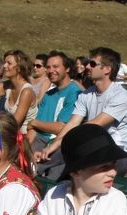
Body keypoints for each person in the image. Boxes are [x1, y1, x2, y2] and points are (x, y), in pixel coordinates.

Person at [41, 47, 127, 175]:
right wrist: (54, 145)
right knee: (56, 164)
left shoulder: (121, 96)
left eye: (92, 64)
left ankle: (36, 169)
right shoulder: (86, 94)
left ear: (107, 69)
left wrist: (61, 144)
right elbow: (72, 123)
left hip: (119, 153)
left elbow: (94, 125)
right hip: (93, 146)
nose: (87, 67)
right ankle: (35, 170)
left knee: (73, 159)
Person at [28, 51, 81, 180]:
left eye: (56, 66)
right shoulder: (48, 95)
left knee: (53, 173)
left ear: (67, 69)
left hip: (61, 142)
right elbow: (34, 129)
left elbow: (62, 128)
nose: (51, 70)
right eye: (48, 67)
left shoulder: (75, 93)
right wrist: (26, 150)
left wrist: (34, 122)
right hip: (41, 140)